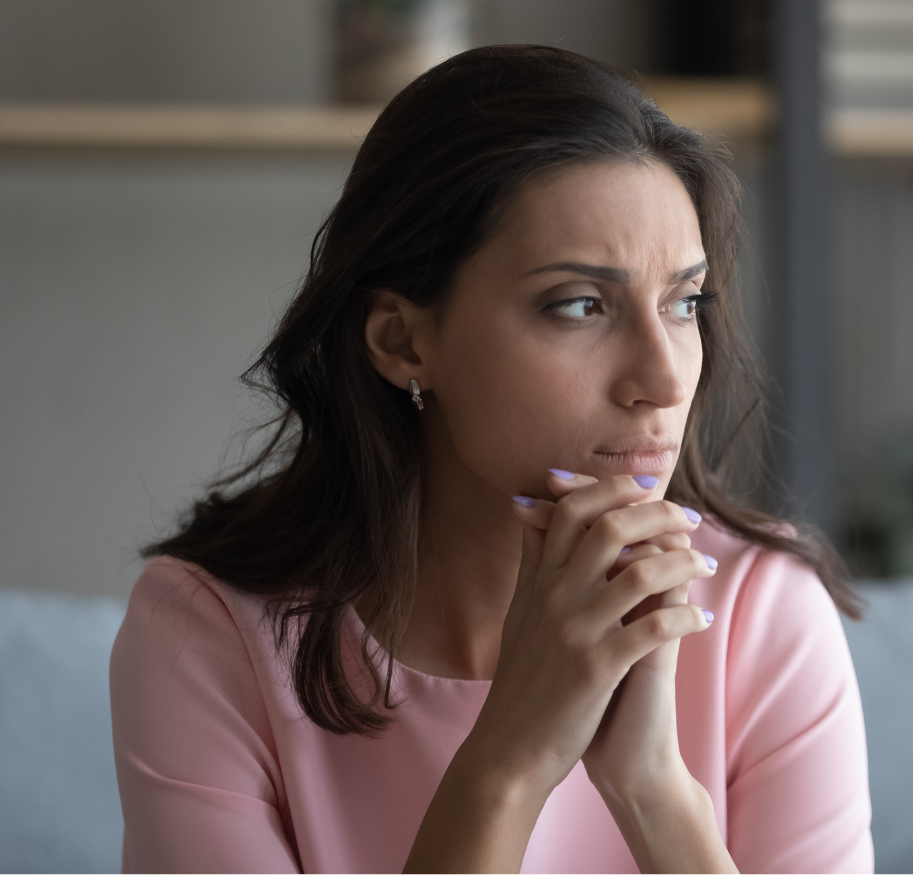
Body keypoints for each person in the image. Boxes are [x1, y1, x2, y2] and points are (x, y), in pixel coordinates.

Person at [109, 45, 873, 874]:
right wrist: (508, 763)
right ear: (402, 341)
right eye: (579, 305)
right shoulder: (209, 632)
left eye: (684, 302)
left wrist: (654, 789)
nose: (661, 377)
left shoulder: (766, 616)